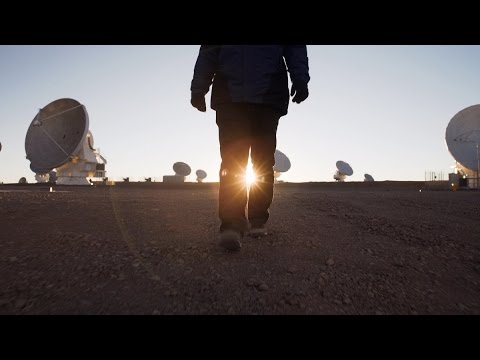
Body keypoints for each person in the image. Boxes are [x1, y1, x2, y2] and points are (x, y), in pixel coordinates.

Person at [190, 45, 310, 251]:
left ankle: (257, 219)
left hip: (268, 95)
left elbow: (294, 48)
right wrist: (199, 88)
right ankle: (232, 225)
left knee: (262, 162)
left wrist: (300, 77)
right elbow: (209, 52)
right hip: (230, 97)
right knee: (232, 161)